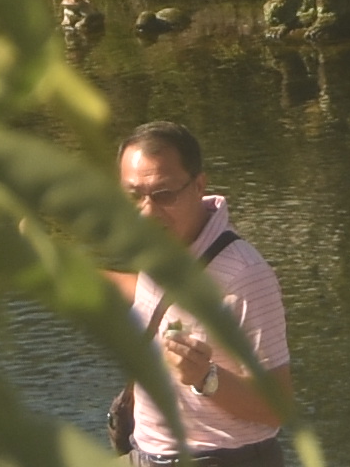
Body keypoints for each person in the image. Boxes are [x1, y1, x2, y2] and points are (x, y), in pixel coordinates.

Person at [104, 118, 294, 456]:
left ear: (198, 185)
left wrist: (205, 377)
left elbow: (276, 407)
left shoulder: (245, 275)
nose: (147, 212)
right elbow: (144, 294)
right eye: (133, 196)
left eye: (164, 195)